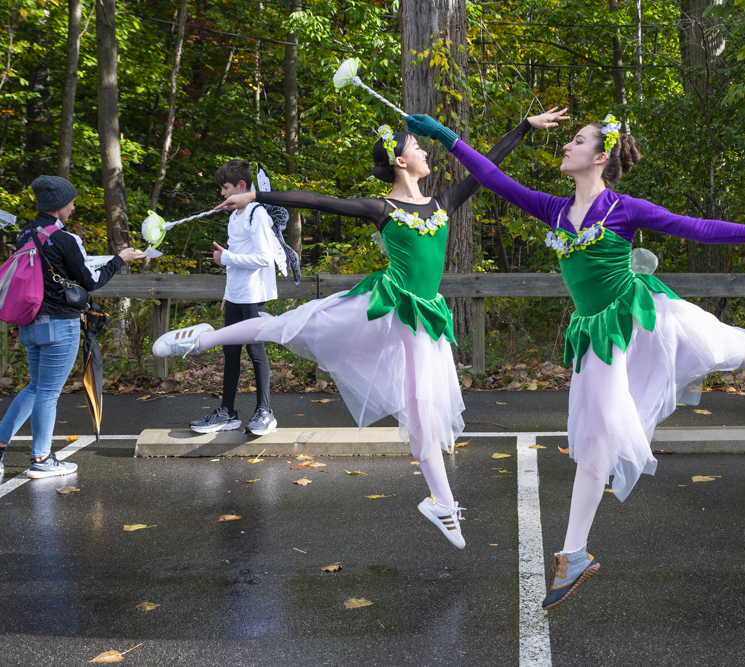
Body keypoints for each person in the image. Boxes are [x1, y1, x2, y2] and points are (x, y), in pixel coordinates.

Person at [405, 112, 745, 608]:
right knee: (596, 436)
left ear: (600, 156)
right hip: (599, 336)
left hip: (640, 317)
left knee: (742, 348)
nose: (565, 147)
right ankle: (574, 554)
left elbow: (699, 228)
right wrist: (447, 138)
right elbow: (493, 178)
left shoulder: (623, 208)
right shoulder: (552, 209)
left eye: (576, 142)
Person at [152, 109, 569, 548]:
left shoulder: (441, 204)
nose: (426, 150)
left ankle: (442, 503)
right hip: (384, 304)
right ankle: (201, 338)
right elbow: (316, 200)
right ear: (401, 162)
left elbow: (486, 167)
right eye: (417, 147)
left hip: (424, 322)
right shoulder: (383, 208)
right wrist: (255, 197)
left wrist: (523, 126)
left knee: (424, 415)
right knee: (290, 324)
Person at [0, 176, 145, 478]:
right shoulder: (66, 239)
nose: (74, 205)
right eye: (71, 201)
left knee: (36, 387)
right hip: (59, 325)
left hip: (29, 321)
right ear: (59, 205)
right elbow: (90, 281)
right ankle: (41, 460)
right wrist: (118, 260)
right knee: (49, 393)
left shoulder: (26, 234)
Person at [180, 160, 280, 437]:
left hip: (254, 295)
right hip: (236, 295)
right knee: (230, 352)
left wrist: (226, 258)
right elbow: (236, 260)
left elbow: (263, 258)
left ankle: (265, 412)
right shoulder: (234, 215)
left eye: (225, 188)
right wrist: (228, 293)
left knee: (255, 351)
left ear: (241, 186)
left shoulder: (256, 214)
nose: (222, 194)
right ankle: (227, 412)